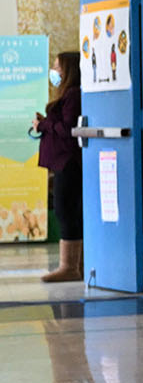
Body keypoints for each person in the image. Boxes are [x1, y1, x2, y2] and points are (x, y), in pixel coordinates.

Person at [32, 51, 82, 283]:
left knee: (65, 210)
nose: (54, 70)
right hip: (62, 161)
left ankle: (69, 266)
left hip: (68, 161)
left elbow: (67, 129)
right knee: (67, 209)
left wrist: (44, 124)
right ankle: (75, 265)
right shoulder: (67, 94)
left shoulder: (73, 95)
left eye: (57, 66)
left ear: (68, 69)